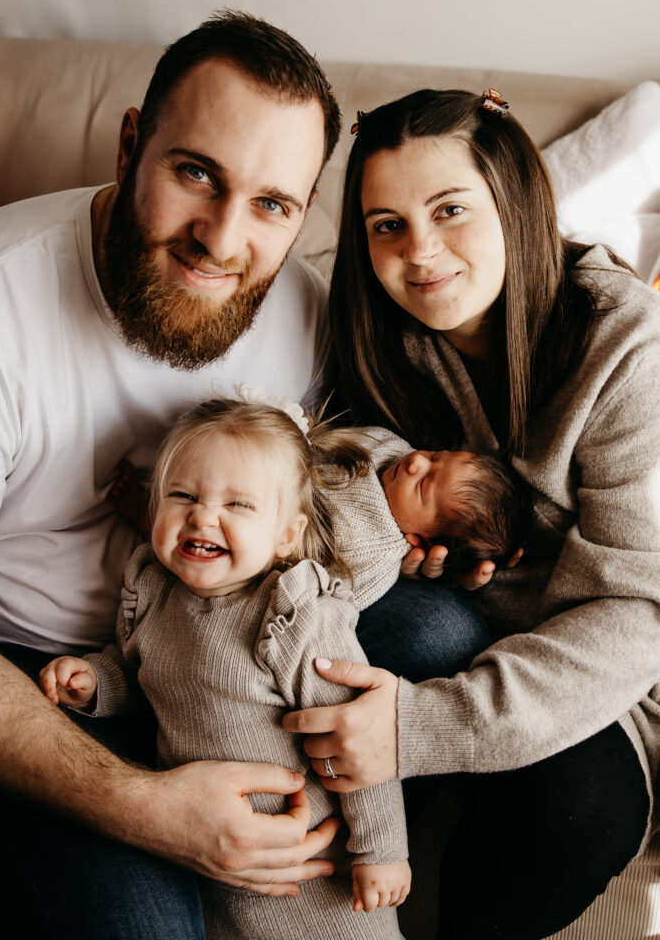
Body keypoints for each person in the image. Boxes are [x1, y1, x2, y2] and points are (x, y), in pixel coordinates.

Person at [0, 10, 347, 940]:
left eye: (271, 204)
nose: (221, 240)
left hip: (222, 635)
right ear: (130, 144)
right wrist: (143, 807)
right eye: (197, 174)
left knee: (441, 629)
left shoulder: (303, 308)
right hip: (31, 672)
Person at [283, 88, 660, 939]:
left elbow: (636, 612)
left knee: (576, 807)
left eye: (449, 210)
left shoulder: (625, 345)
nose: (419, 254)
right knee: (394, 633)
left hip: (597, 672)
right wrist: (391, 527)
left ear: (515, 202)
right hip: (439, 621)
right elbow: (317, 475)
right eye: (386, 225)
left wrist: (418, 730)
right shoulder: (365, 332)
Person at [39, 395, 412, 939]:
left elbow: (360, 744)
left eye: (238, 504)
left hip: (319, 878)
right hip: (214, 862)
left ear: (286, 535)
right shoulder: (153, 593)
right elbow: (142, 674)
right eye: (182, 496)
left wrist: (383, 850)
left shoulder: (294, 615)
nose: (202, 516)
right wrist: (95, 682)